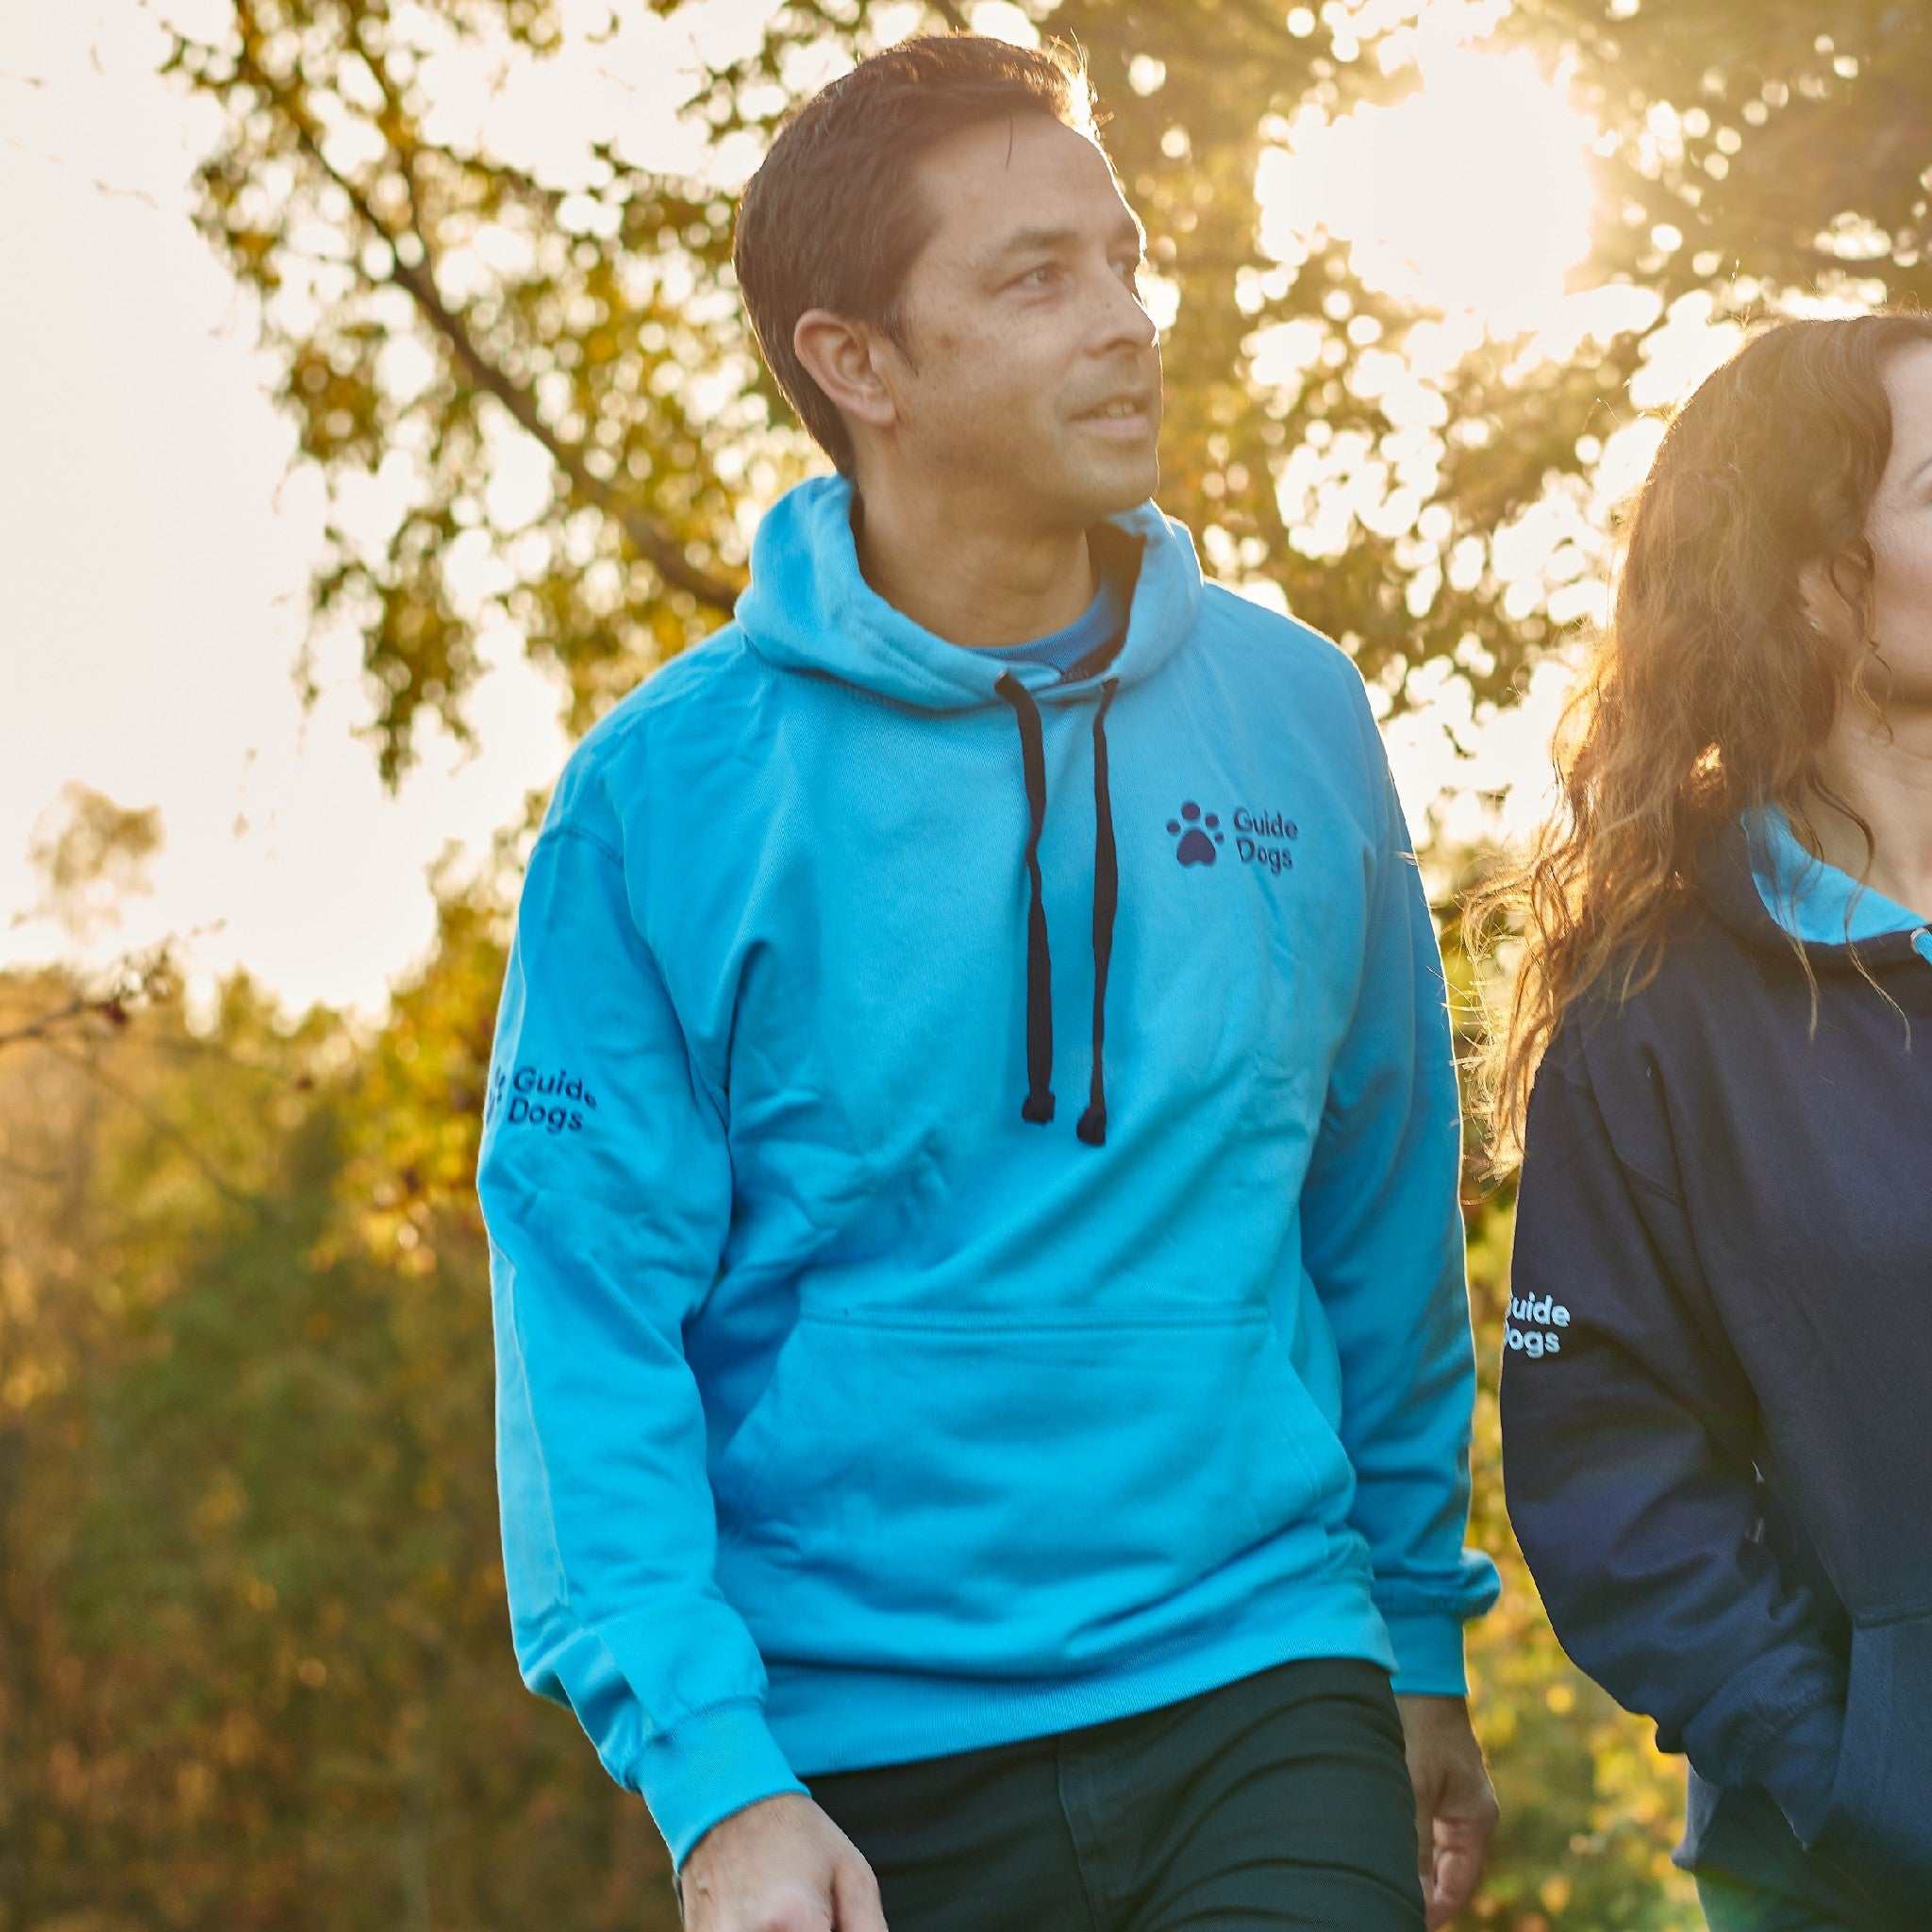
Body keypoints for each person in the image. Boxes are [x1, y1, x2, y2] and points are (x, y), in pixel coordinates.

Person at [478, 34, 1498, 1932]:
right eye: (1036, 279)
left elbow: (1379, 1212)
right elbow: (587, 1327)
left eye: (1122, 260)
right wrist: (715, 1784)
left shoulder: (1295, 717)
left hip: (1258, 1673)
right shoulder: (661, 804)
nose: (1123, 321)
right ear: (856, 363)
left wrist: (1418, 1637)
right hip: (851, 1752)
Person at [1484, 315, 1932, 1931]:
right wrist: (1854, 1776)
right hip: (1851, 1879)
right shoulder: (1654, 1010)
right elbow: (1613, 1472)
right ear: (1819, 577)